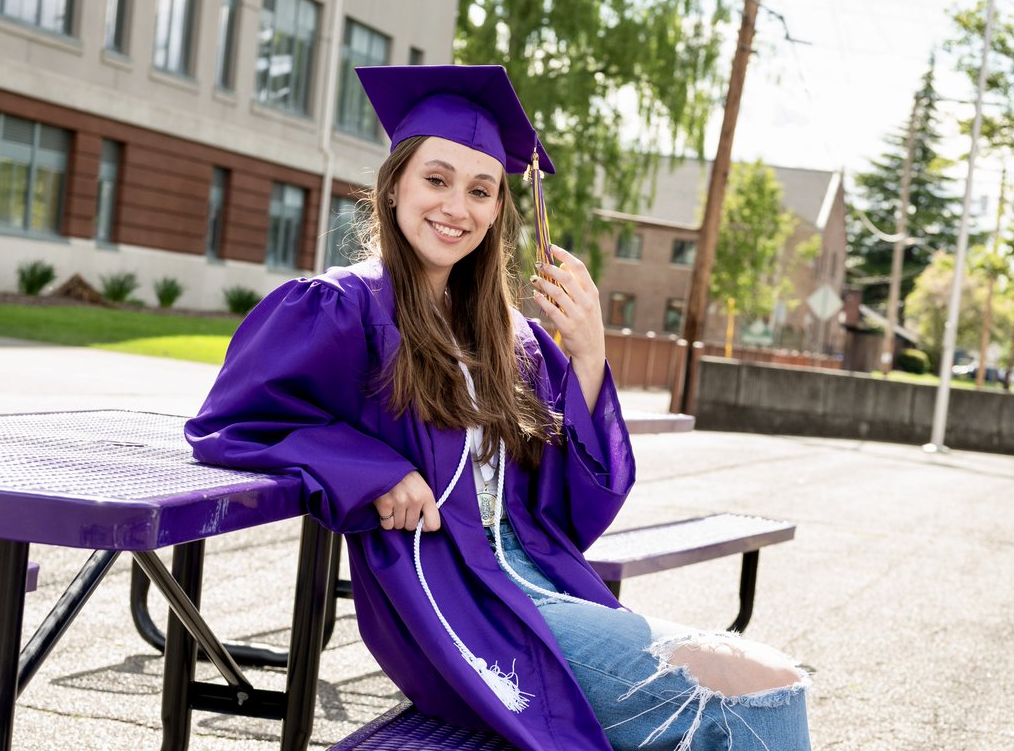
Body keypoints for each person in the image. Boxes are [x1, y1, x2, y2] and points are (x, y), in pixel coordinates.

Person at [185, 64, 811, 751]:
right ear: (393, 184)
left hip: (537, 582)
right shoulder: (343, 308)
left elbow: (573, 514)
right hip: (456, 603)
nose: (457, 206)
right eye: (436, 179)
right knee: (763, 696)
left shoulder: (513, 340)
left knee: (766, 689)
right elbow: (234, 419)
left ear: (496, 211)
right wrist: (372, 471)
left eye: (481, 190)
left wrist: (591, 359)